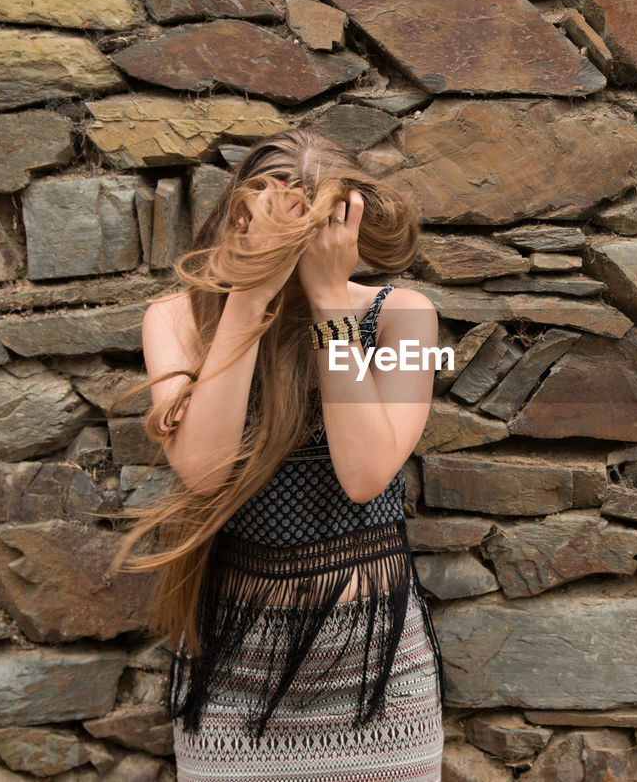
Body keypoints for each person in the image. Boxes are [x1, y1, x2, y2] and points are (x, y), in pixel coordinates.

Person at [110, 129, 446, 781]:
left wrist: (327, 300)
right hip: (235, 673)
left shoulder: (409, 318)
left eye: (316, 228)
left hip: (377, 671)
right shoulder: (176, 320)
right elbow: (204, 471)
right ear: (239, 217)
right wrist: (248, 296)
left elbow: (365, 473)